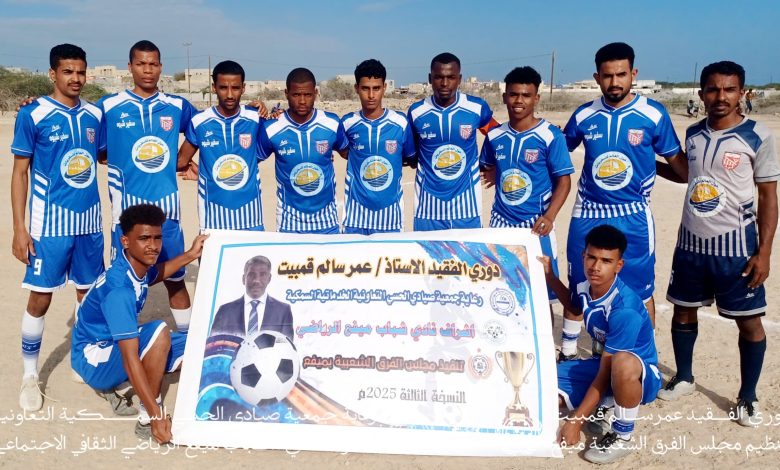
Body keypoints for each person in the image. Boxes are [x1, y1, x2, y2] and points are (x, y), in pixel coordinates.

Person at [658, 61, 779, 426]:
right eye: (712, 89)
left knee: (749, 322)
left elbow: (768, 197)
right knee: (683, 311)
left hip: (736, 250)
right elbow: (687, 176)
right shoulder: (693, 133)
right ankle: (684, 377)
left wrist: (764, 253)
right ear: (701, 94)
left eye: (729, 89)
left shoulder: (758, 136)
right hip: (691, 246)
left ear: (742, 93)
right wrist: (646, 163)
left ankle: (748, 397)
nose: (720, 96)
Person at [558, 42, 687, 361]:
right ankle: (570, 352)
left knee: (639, 290)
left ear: (634, 74)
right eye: (607, 76)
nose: (614, 82)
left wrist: (647, 163)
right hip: (588, 213)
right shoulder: (584, 115)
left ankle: (644, 358)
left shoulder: (652, 114)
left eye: (621, 74)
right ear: (597, 77)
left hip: (633, 216)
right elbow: (556, 152)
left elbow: (682, 170)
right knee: (580, 283)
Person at [11, 44, 104, 411]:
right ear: (53, 74)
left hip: (90, 224)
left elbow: (107, 155)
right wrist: (19, 229)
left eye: (80, 72)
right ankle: (29, 375)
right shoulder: (32, 114)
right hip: (49, 227)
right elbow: (20, 173)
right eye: (68, 71)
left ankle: (81, 358)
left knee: (88, 296)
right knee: (40, 299)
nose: (75, 78)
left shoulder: (95, 115)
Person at [71, 204, 207, 443]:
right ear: (125, 241)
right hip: (94, 358)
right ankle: (146, 420)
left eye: (157, 238)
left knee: (204, 342)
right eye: (144, 239)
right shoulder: (119, 290)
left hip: (113, 347)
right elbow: (129, 356)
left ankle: (129, 383)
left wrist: (190, 254)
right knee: (159, 331)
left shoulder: (136, 266)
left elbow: (157, 273)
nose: (153, 246)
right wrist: (156, 416)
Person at [97, 40, 196, 335]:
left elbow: (206, 126)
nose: (147, 70)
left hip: (168, 215)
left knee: (175, 281)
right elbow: (97, 149)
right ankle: (123, 346)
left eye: (153, 64)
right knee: (124, 286)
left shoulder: (177, 106)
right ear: (130, 67)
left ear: (161, 67)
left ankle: (187, 343)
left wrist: (183, 159)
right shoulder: (109, 107)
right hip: (125, 217)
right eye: (141, 64)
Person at [541, 225, 661, 464]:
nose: (596, 267)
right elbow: (574, 307)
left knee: (622, 363)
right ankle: (605, 402)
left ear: (619, 266)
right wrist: (549, 276)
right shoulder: (585, 286)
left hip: (639, 376)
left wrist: (576, 421)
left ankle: (622, 435)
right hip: (604, 366)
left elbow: (607, 372)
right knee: (543, 384)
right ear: (583, 256)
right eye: (592, 257)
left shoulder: (624, 308)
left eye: (606, 261)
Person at [479, 66, 573, 307]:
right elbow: (488, 166)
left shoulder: (550, 135)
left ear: (536, 98)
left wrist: (550, 216)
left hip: (536, 225)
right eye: (513, 94)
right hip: (501, 224)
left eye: (526, 95)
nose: (519, 101)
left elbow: (564, 181)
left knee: (542, 295)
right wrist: (498, 171)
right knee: (502, 289)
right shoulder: (494, 136)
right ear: (504, 97)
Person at [407, 52, 498, 231]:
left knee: (469, 251)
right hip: (427, 208)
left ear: (459, 79)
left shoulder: (476, 107)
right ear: (430, 78)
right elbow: (411, 154)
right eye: (438, 77)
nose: (444, 83)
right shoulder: (416, 112)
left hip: (467, 207)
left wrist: (496, 167)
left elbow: (498, 136)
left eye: (451, 77)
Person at [177, 60, 266, 232]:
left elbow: (280, 136)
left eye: (236, 88)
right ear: (214, 88)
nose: (230, 94)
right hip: (212, 221)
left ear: (243, 88)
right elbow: (181, 160)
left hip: (251, 219)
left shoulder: (256, 118)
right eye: (223, 88)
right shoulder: (199, 121)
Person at [258, 67, 348, 233]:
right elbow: (248, 160)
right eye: (296, 95)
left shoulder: (332, 123)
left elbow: (351, 154)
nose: (302, 101)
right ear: (286, 94)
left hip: (327, 223)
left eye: (307, 95)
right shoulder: (272, 128)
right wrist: (251, 111)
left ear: (315, 93)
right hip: (288, 224)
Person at [339, 59, 416, 234]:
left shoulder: (400, 123)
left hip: (390, 218)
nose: (371, 95)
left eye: (376, 88)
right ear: (356, 88)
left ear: (384, 88)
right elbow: (341, 150)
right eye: (365, 88)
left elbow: (410, 157)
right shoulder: (347, 123)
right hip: (355, 217)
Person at [209, 255, 293, 340]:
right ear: (243, 279)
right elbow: (213, 345)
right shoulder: (225, 312)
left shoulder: (283, 311)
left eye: (262, 274)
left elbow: (288, 347)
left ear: (269, 278)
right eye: (251, 275)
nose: (256, 280)